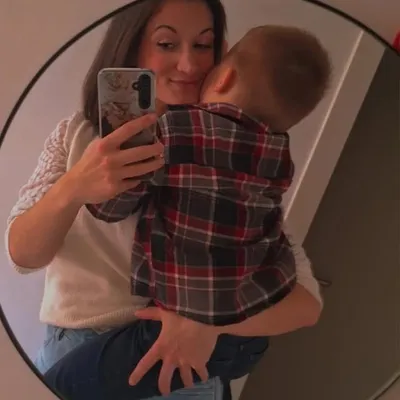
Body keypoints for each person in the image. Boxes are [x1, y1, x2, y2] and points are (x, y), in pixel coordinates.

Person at [6, 1, 323, 399]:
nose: (188, 64)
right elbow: (23, 257)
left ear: (222, 57)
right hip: (80, 350)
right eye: (167, 44)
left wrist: (205, 321)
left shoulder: (226, 160)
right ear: (130, 45)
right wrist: (75, 186)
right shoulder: (77, 135)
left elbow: (306, 303)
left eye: (203, 45)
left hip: (184, 366)